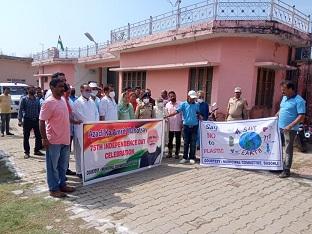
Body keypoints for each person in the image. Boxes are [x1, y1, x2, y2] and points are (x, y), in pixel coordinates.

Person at [39, 77, 75, 198]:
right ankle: (53, 189)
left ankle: (62, 184)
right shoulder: (48, 102)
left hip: (65, 139)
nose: (62, 88)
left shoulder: (63, 100)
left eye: (63, 86)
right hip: (53, 140)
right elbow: (41, 121)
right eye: (59, 86)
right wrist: (44, 138)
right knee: (52, 166)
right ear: (52, 88)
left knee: (63, 165)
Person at [276, 80, 306, 178]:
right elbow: (282, 108)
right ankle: (278, 166)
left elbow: (301, 116)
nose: (282, 92)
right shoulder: (284, 98)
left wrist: (290, 126)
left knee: (288, 149)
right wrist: (276, 115)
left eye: (284, 90)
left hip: (290, 130)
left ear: (291, 89)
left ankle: (286, 170)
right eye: (281, 90)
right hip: (279, 127)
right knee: (278, 147)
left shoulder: (299, 100)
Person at [165, 90, 201, 164]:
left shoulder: (197, 105)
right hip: (186, 127)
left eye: (194, 98)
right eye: (192, 98)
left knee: (193, 142)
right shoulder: (183, 104)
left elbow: (198, 113)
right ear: (188, 97)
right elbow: (176, 111)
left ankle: (191, 157)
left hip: (194, 126)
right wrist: (168, 115)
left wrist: (200, 116)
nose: (193, 99)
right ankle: (185, 157)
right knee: (186, 142)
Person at [72, 84, 99, 179]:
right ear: (81, 90)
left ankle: (88, 169)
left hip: (91, 130)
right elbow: (81, 116)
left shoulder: (92, 101)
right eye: (87, 90)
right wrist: (90, 124)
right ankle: (79, 171)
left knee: (89, 152)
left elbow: (96, 113)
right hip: (81, 131)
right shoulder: (77, 102)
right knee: (79, 152)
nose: (89, 92)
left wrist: (95, 124)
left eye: (89, 90)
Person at [18, 86, 44, 158]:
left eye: (34, 89)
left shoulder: (37, 99)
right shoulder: (24, 99)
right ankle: (27, 152)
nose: (33, 90)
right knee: (26, 137)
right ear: (28, 90)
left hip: (36, 120)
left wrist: (40, 119)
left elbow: (40, 110)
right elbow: (20, 110)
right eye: (31, 89)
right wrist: (20, 120)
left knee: (38, 136)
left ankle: (36, 150)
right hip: (27, 120)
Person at [165, 91, 182, 159]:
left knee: (178, 140)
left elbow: (182, 114)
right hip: (170, 125)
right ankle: (170, 153)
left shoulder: (180, 104)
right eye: (171, 96)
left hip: (178, 124)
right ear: (169, 97)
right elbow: (166, 114)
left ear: (175, 96)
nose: (173, 97)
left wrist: (182, 123)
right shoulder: (167, 105)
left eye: (173, 96)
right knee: (170, 140)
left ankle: (177, 153)